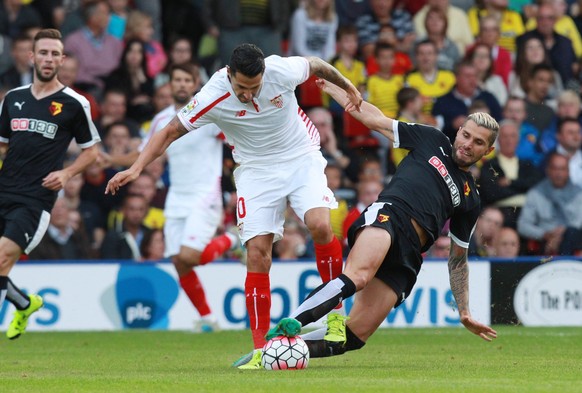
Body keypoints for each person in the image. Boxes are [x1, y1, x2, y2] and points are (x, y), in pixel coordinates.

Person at [105, 43, 363, 368]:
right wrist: (136, 168)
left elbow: (317, 65)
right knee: (257, 253)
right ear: (229, 75)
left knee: (321, 225)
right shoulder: (212, 94)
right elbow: (170, 131)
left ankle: (335, 316)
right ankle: (259, 351)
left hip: (300, 156)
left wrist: (349, 86)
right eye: (241, 88)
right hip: (255, 170)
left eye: (254, 88)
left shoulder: (280, 70)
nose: (248, 95)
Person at [262, 80, 498, 362]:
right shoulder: (432, 140)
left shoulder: (471, 198)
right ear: (459, 131)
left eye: (478, 142)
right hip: (390, 216)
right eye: (467, 135)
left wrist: (464, 312)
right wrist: (338, 90)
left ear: (488, 151)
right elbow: (375, 119)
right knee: (358, 277)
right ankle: (290, 324)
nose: (468, 144)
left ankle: (273, 352)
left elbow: (458, 259)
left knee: (354, 337)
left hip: (410, 254)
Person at [106, 62, 244, 331]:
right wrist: (111, 160)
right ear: (169, 85)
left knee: (190, 256)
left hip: (205, 194)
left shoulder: (210, 113)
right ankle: (207, 319)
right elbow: (145, 152)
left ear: (195, 84)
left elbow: (235, 137)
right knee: (179, 262)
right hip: (177, 196)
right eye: (176, 80)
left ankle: (232, 239)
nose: (181, 84)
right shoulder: (162, 119)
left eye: (186, 80)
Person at [0, 28, 100, 339]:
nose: (48, 58)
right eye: (43, 52)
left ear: (62, 59)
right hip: (4, 190)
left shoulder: (74, 103)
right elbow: (3, 145)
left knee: (1, 256)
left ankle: (22, 304)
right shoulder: (13, 99)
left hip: (35, 199)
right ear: (31, 56)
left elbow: (92, 152)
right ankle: (24, 303)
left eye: (55, 53)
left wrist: (67, 174)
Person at [517, 153, 582, 255]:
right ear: (548, 170)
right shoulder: (535, 193)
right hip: (544, 241)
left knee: (571, 233)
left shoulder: (579, 194)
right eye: (555, 168)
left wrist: (561, 234)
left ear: (568, 172)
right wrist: (545, 234)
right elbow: (523, 225)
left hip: (573, 239)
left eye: (562, 169)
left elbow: (578, 222)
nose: (558, 173)